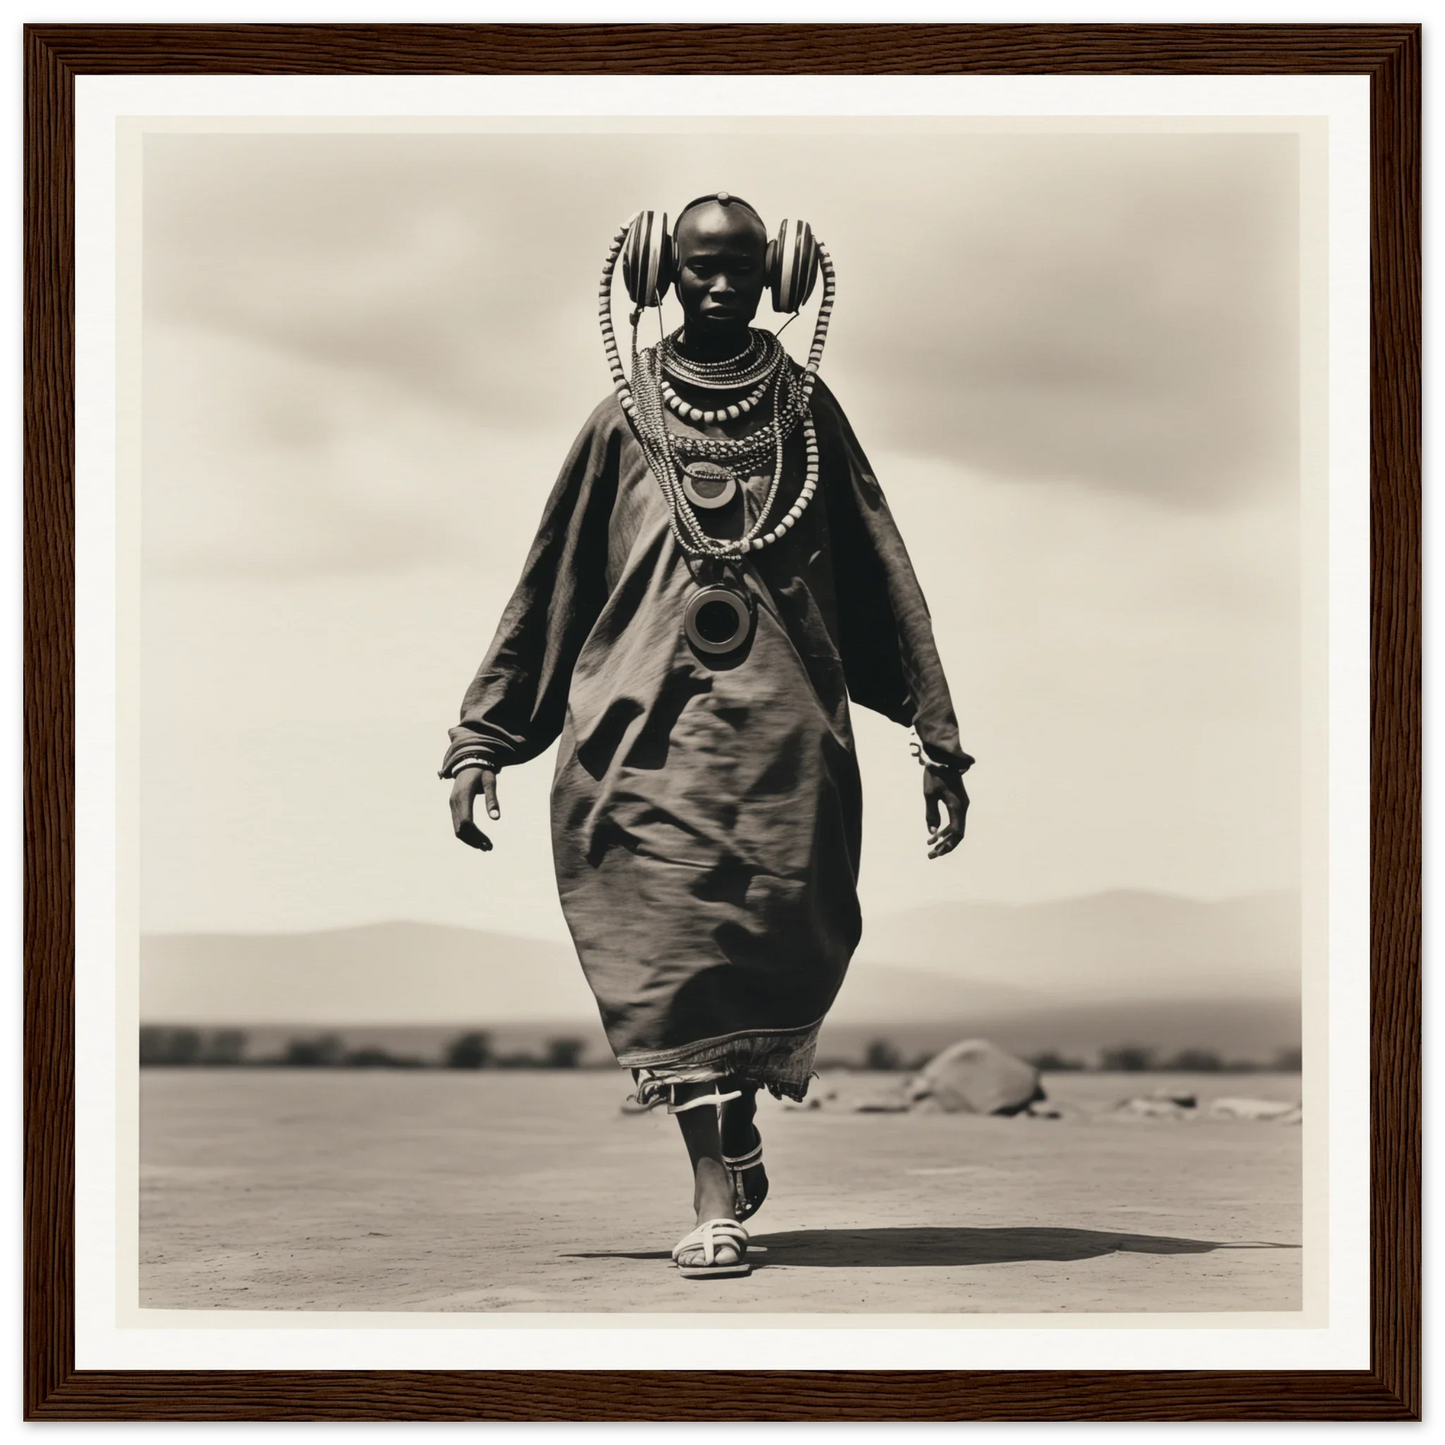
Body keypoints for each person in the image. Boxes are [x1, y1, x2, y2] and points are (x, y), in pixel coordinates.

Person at [441, 193, 972, 1279]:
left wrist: (936, 734)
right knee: (668, 952)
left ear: (774, 274)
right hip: (633, 737)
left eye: (738, 267)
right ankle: (713, 1190)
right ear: (660, 275)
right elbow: (549, 585)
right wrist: (482, 736)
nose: (719, 286)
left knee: (773, 936)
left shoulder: (808, 414)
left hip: (782, 739)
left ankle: (734, 1122)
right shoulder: (618, 421)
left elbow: (881, 572)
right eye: (697, 269)